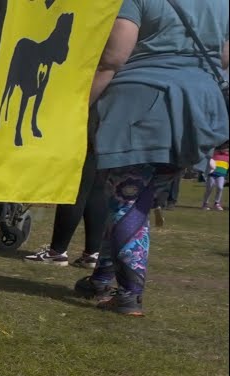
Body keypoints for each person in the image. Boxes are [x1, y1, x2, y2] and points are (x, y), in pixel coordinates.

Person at [74, 0, 228, 316]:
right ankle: (102, 278)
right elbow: (225, 59)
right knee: (133, 199)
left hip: (140, 101)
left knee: (126, 200)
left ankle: (129, 293)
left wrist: (80, 107)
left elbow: (114, 58)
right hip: (195, 108)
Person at [24, 137, 105, 267]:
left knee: (73, 189)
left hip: (84, 134)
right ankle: (93, 253)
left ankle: (57, 251)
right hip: (109, 133)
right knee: (96, 190)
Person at [202, 141, 228, 210]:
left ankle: (217, 203)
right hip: (212, 174)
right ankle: (205, 203)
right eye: (225, 148)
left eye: (227, 148)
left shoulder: (228, 156)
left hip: (221, 175)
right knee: (209, 188)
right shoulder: (214, 154)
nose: (226, 149)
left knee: (220, 187)